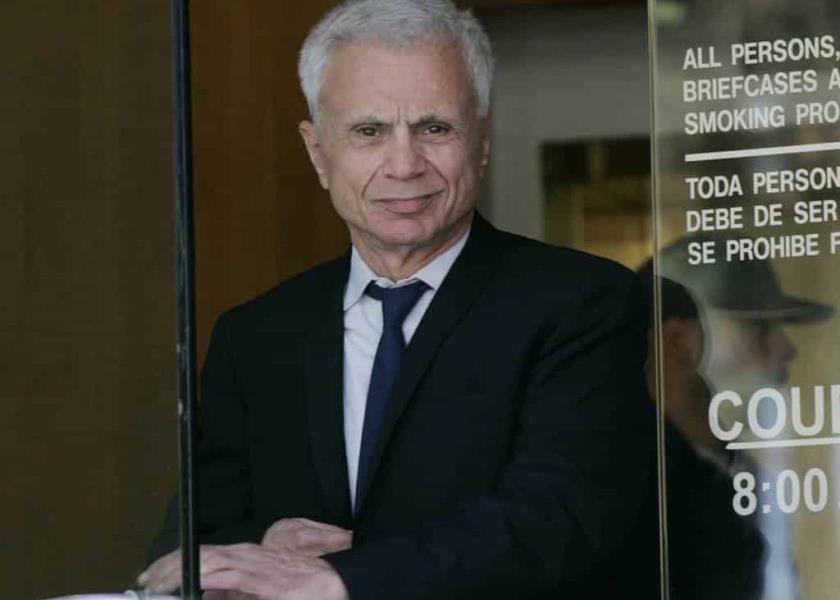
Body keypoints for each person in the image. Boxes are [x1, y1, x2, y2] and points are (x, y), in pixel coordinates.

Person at [141, 1, 656, 598]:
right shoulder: (256, 335)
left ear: (482, 141)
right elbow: (185, 550)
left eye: (435, 128)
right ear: (317, 152)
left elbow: (560, 518)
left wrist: (343, 578)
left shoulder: (582, 302)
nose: (405, 165)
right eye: (369, 131)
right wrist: (265, 543)